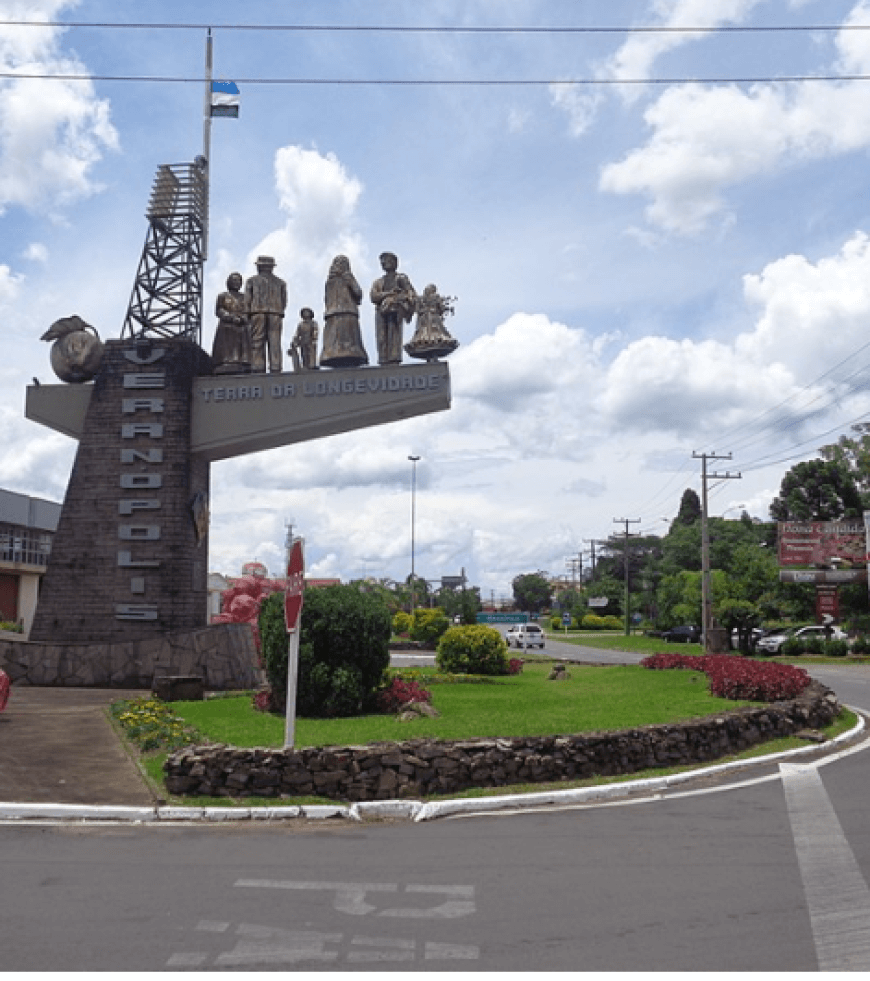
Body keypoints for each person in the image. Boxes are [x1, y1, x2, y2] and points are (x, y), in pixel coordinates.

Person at [320, 255, 369, 368]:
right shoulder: (330, 282)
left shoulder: (349, 278)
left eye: (341, 263)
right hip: (333, 315)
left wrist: (350, 281)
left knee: (350, 340)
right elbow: (326, 299)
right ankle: (332, 354)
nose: (339, 266)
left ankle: (352, 354)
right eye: (337, 263)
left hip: (348, 313)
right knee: (334, 341)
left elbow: (358, 294)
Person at [370, 251, 415, 365]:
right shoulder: (378, 282)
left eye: (387, 261)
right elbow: (374, 296)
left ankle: (394, 360)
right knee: (381, 338)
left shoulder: (401, 278)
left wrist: (400, 298)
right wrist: (389, 294)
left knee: (394, 336)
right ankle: (383, 360)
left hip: (395, 312)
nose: (384, 264)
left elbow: (411, 294)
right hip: (381, 313)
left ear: (395, 263)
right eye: (383, 262)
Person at [244, 256, 287, 373]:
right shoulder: (281, 282)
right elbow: (284, 301)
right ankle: (276, 366)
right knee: (275, 341)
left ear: (259, 266)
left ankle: (258, 366)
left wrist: (247, 314)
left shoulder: (251, 281)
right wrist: (279, 310)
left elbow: (247, 300)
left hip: (257, 312)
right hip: (275, 313)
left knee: (257, 341)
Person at [211, 272, 251, 373]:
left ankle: (243, 362)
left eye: (239, 281)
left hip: (242, 325)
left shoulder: (245, 297)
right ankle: (225, 361)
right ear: (229, 282)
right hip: (227, 324)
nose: (237, 283)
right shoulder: (222, 296)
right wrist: (230, 317)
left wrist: (242, 318)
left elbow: (248, 311)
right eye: (234, 280)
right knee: (227, 333)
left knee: (246, 332)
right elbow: (219, 310)